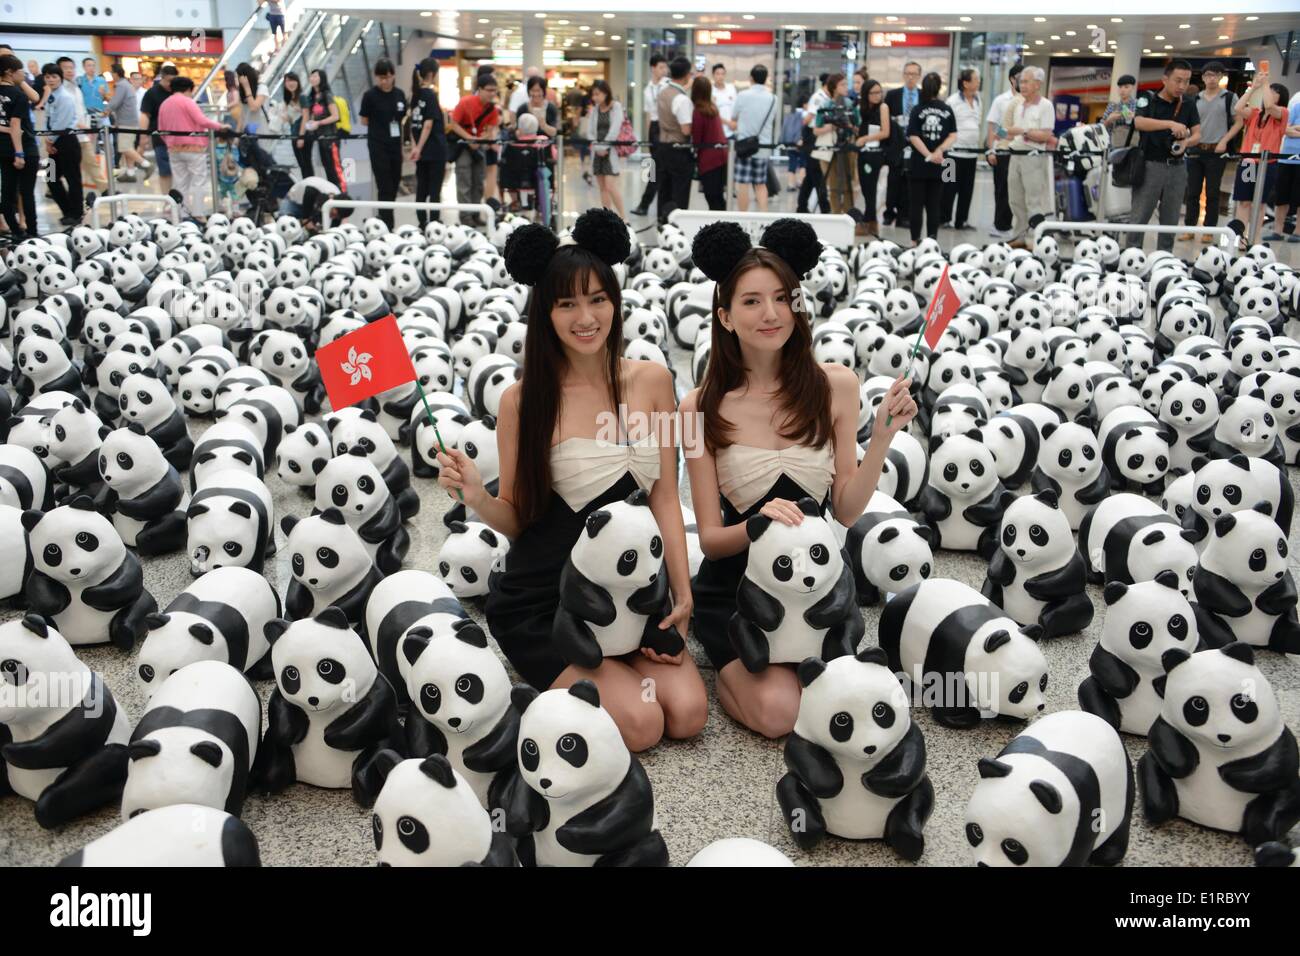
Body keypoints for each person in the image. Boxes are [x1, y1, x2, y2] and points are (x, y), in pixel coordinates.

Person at [438, 210, 706, 752]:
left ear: (615, 301)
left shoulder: (654, 381)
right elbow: (516, 517)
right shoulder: (523, 399)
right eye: (567, 304)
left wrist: (681, 594)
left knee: (688, 714)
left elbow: (665, 500)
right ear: (546, 313)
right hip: (548, 600)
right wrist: (476, 496)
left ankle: (617, 661)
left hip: (632, 593)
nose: (586, 317)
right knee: (642, 725)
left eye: (597, 299)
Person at [683, 219, 917, 738]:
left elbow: (849, 510)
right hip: (740, 594)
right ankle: (721, 669)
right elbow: (714, 541)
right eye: (751, 301)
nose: (771, 314)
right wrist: (757, 525)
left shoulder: (836, 384)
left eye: (782, 298)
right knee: (781, 714)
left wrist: (880, 437)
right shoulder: (698, 407)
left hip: (817, 588)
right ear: (724, 316)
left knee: (846, 701)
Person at [1128, 59, 1201, 253]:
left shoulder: (1189, 104)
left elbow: (1197, 134)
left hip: (1177, 167)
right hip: (1151, 165)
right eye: (1178, 80)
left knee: (1170, 219)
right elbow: (1139, 122)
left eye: (1186, 81)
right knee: (1139, 217)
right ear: (1164, 79)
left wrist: (1186, 142)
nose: (1182, 86)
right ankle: (1132, 258)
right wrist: (1170, 124)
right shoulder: (1147, 98)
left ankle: (1164, 261)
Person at [998, 65, 1056, 248]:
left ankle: (1035, 239)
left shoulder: (1046, 105)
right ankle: (1019, 235)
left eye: (1025, 81)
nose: (1021, 85)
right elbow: (1011, 132)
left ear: (1037, 84)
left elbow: (1046, 135)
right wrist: (1001, 135)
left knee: (1034, 200)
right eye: (1020, 81)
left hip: (1034, 157)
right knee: (1015, 198)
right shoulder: (1018, 104)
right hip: (1015, 154)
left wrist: (1023, 131)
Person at [157, 76, 231, 222]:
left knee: (180, 182)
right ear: (188, 89)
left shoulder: (165, 104)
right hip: (194, 148)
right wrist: (220, 126)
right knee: (198, 181)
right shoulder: (188, 102)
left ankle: (182, 213)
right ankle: (198, 213)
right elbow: (201, 120)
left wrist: (170, 143)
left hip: (173, 149)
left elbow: (161, 129)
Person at [1182, 62, 1238, 240]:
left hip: (1217, 151)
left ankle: (1209, 230)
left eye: (1214, 75)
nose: (1211, 78)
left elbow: (1239, 122)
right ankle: (1190, 229)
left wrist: (1225, 140)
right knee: (1192, 192)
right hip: (1196, 150)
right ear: (1203, 77)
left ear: (1221, 76)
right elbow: (1189, 123)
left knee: (1213, 192)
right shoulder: (1195, 99)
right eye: (1207, 75)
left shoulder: (1229, 97)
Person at [1231, 77, 1289, 248]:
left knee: (1260, 202)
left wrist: (1265, 83)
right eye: (1269, 91)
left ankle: (1254, 238)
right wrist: (1252, 89)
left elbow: (1271, 107)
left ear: (1281, 97)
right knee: (1244, 201)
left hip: (1267, 164)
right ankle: (1241, 237)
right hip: (1249, 162)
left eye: (1273, 92)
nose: (1268, 94)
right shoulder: (1255, 113)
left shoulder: (1282, 113)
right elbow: (1238, 108)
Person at [907, 71, 957, 245]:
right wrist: (939, 151)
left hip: (919, 163)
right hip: (942, 163)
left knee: (916, 205)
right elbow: (953, 135)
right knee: (935, 204)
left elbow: (913, 136)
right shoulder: (947, 109)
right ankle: (932, 241)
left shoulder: (917, 109)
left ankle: (914, 242)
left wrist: (928, 155)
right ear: (939, 88)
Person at [358, 58, 406, 229]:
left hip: (395, 144)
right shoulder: (370, 96)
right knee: (384, 183)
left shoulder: (399, 94)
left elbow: (401, 117)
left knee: (395, 181)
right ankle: (387, 221)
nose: (384, 81)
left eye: (387, 77)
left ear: (393, 76)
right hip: (378, 144)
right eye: (380, 78)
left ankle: (386, 216)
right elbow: (364, 120)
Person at [448, 72, 499, 226]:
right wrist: (469, 138)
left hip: (479, 147)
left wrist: (483, 139)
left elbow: (490, 129)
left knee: (478, 182)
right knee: (464, 181)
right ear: (480, 89)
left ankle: (476, 214)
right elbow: (453, 124)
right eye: (489, 90)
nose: (492, 93)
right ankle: (465, 217)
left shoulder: (492, 109)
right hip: (463, 146)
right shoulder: (466, 102)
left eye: (494, 90)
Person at [0, 54, 38, 240]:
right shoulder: (18, 96)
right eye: (20, 70)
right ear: (9, 72)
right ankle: (32, 232)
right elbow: (16, 125)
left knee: (7, 192)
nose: (23, 74)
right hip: (24, 149)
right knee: (26, 192)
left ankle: (15, 231)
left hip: (3, 149)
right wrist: (19, 153)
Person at [42, 63, 85, 226]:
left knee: (72, 179)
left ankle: (76, 213)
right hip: (53, 142)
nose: (51, 80)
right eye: (47, 76)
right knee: (51, 177)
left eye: (54, 76)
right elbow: (49, 119)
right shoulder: (52, 95)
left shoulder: (65, 97)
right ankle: (68, 210)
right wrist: (48, 141)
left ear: (60, 78)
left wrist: (49, 141)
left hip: (66, 141)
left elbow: (62, 123)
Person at [985, 62, 1023, 239]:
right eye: (1020, 78)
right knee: (1002, 189)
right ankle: (1000, 225)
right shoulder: (1001, 100)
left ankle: (1008, 223)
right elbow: (993, 127)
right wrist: (991, 150)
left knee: (1015, 190)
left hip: (1021, 151)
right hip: (1002, 150)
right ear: (1011, 79)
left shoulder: (1027, 101)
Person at [654, 57, 694, 226]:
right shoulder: (682, 99)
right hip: (678, 148)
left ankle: (662, 222)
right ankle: (677, 225)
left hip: (662, 146)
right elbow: (686, 129)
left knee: (664, 188)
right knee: (680, 190)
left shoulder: (663, 91)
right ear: (686, 75)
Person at [732, 64, 777, 212]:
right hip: (763, 147)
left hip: (745, 146)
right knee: (760, 183)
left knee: (743, 184)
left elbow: (734, 117)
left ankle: (743, 219)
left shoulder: (742, 95)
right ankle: (763, 217)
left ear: (751, 78)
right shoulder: (773, 99)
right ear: (765, 79)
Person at [407, 58, 446, 226]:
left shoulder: (415, 94)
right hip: (434, 149)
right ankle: (434, 222)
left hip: (421, 150)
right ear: (432, 74)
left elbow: (412, 123)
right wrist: (420, 147)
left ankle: (422, 221)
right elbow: (428, 125)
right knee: (434, 189)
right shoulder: (430, 94)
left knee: (422, 186)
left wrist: (415, 147)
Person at [810, 73, 856, 215]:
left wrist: (848, 125)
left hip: (848, 146)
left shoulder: (851, 105)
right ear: (834, 87)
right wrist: (833, 125)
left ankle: (849, 216)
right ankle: (836, 214)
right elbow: (816, 130)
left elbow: (858, 127)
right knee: (833, 184)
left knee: (849, 182)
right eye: (842, 84)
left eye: (846, 84)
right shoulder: (825, 105)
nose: (846, 87)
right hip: (829, 147)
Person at [883, 61, 922, 228]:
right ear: (903, 75)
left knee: (909, 182)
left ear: (919, 76)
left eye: (914, 74)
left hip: (916, 145)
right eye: (907, 73)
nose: (910, 77)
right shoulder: (893, 95)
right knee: (893, 180)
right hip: (896, 144)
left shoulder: (923, 95)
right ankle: (889, 212)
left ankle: (904, 215)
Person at [943, 67, 981, 230]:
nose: (978, 83)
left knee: (967, 189)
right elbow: (946, 127)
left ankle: (962, 220)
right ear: (965, 83)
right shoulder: (952, 101)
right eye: (975, 80)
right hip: (952, 153)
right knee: (948, 187)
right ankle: (943, 219)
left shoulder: (978, 99)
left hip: (971, 154)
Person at [630, 54, 667, 217]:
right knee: (655, 167)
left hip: (665, 126)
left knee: (658, 169)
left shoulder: (668, 85)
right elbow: (648, 115)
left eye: (665, 67)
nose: (663, 70)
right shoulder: (647, 89)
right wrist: (647, 138)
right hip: (654, 128)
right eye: (660, 67)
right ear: (653, 68)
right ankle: (648, 205)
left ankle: (646, 204)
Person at [852, 78, 890, 236]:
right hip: (863, 153)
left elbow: (885, 132)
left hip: (875, 154)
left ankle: (869, 222)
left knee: (871, 188)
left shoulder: (883, 107)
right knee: (865, 188)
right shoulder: (863, 109)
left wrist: (864, 139)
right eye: (873, 93)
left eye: (879, 92)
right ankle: (870, 221)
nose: (876, 95)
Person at [584, 79, 626, 219]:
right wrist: (597, 148)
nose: (595, 97)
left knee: (611, 186)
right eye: (593, 95)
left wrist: (604, 147)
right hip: (597, 152)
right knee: (602, 187)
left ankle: (623, 217)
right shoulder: (595, 109)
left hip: (610, 151)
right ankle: (607, 218)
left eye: (597, 94)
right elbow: (589, 131)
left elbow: (615, 129)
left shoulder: (616, 107)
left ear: (606, 93)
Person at [303, 68, 345, 192]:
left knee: (335, 169)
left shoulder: (327, 95)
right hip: (321, 138)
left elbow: (335, 116)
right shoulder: (313, 96)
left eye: (315, 76)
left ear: (322, 78)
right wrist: (311, 123)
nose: (313, 79)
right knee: (327, 168)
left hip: (330, 137)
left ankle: (342, 196)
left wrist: (318, 123)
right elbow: (314, 115)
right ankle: (333, 196)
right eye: (311, 76)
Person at [1266, 90, 1300, 243]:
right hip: (1286, 157)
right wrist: (1293, 130)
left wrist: (1295, 130)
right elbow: (1283, 127)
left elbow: (1290, 129)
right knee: (1281, 196)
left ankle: (1298, 232)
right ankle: (1277, 231)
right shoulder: (1297, 103)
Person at [691, 75, 727, 211]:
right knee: (718, 197)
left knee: (711, 197)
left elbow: (697, 141)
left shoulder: (698, 111)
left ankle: (719, 226)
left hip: (708, 160)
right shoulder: (713, 108)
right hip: (721, 157)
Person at [139, 64, 177, 194]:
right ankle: (167, 198)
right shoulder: (152, 93)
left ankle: (178, 200)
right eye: (168, 81)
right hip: (160, 138)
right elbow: (145, 115)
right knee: (165, 170)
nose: (170, 84)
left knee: (179, 170)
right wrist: (143, 138)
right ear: (162, 77)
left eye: (173, 81)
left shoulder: (177, 91)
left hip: (178, 138)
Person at [106, 63, 145, 182]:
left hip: (128, 123)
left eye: (112, 73)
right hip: (130, 122)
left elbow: (115, 102)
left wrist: (105, 111)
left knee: (124, 148)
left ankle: (145, 164)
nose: (111, 75)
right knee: (128, 147)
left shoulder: (122, 86)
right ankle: (130, 173)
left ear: (116, 73)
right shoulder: (125, 86)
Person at [279, 71, 312, 177]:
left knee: (306, 163)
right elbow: (291, 120)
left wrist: (301, 137)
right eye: (287, 81)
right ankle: (308, 187)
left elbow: (306, 117)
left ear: (297, 82)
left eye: (292, 80)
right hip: (294, 134)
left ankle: (312, 188)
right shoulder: (288, 99)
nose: (290, 83)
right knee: (302, 165)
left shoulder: (302, 97)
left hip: (303, 134)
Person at [711, 63, 737, 139]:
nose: (720, 76)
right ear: (713, 75)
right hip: (716, 131)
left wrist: (735, 122)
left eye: (723, 74)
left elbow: (736, 107)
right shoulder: (710, 91)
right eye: (717, 74)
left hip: (731, 131)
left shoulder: (731, 88)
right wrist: (728, 123)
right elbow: (712, 114)